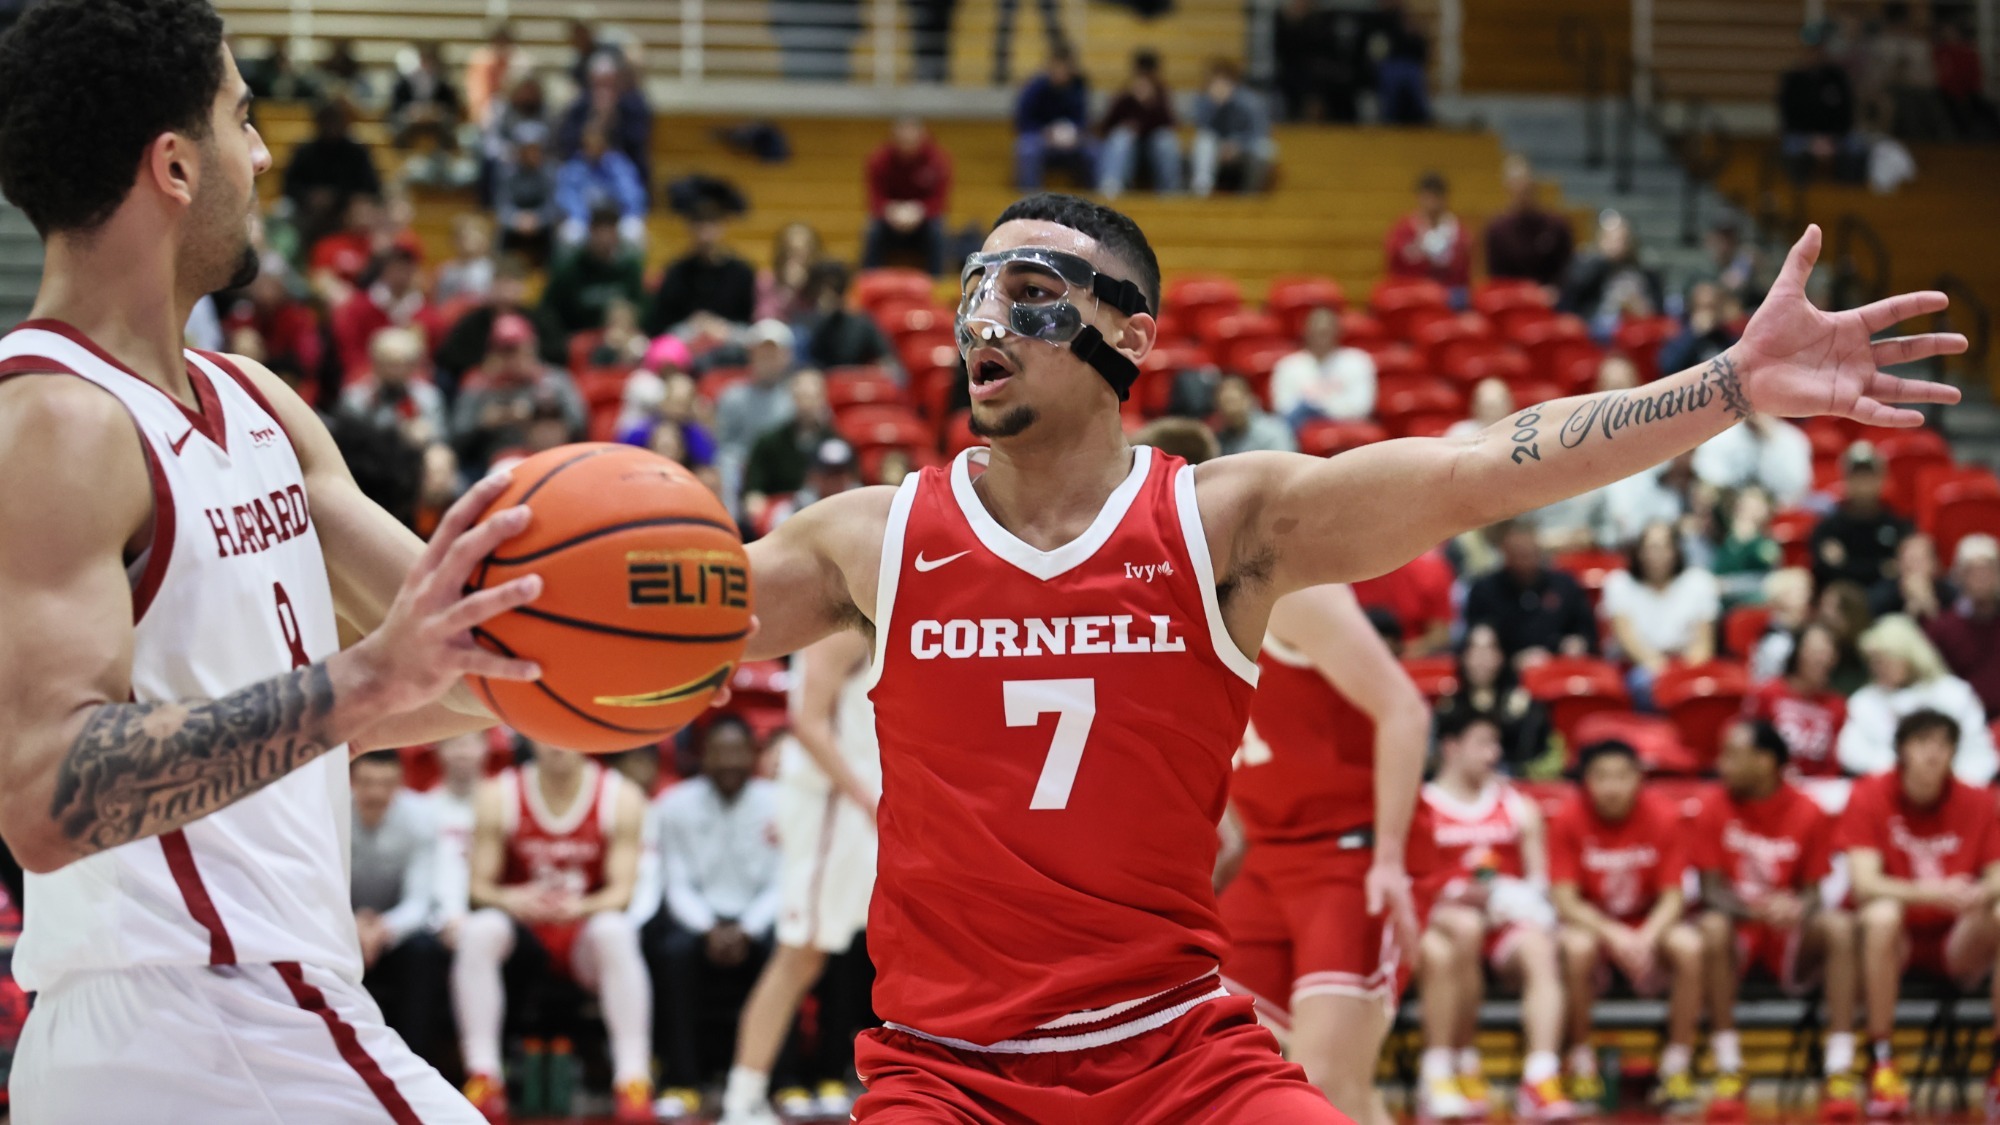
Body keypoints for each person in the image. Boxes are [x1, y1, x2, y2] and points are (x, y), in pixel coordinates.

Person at [732, 189, 1959, 1121]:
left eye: (1036, 286)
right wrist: (529, 580)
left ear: (1132, 336)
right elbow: (664, 642)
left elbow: (1483, 465)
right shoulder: (872, 536)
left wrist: (1730, 381)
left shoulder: (1224, 521)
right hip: (947, 1075)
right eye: (977, 283)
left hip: (1174, 1055)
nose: (988, 314)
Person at [0, 1, 550, 1116]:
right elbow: (47, 792)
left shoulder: (258, 406)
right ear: (172, 164)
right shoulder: (56, 423)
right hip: (203, 1008)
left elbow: (464, 654)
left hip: (214, 1027)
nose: (258, 155)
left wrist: (699, 625)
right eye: (241, 120)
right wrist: (366, 679)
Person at [1218, 581, 1428, 1125]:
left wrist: (1388, 857)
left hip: (1350, 854)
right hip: (1264, 859)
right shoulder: (1162, 599)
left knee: (1327, 1083)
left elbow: (1406, 711)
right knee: (1223, 1067)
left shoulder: (1293, 590)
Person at [718, 628, 882, 1125]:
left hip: (854, 802)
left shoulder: (879, 610)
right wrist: (867, 799)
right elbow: (807, 724)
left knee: (892, 946)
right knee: (800, 954)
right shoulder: (845, 623)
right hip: (834, 805)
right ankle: (740, 1102)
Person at [453, 741, 654, 1122]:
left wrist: (581, 907)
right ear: (529, 736)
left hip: (582, 937)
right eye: (546, 733)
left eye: (567, 734)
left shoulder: (620, 796)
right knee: (480, 929)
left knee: (615, 930)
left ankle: (633, 1080)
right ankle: (484, 1076)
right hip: (524, 938)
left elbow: (622, 894)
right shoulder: (500, 794)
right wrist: (513, 899)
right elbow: (478, 889)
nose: (557, 744)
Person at [1694, 719, 1860, 1122]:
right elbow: (1710, 891)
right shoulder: (1712, 805)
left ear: (1766, 762)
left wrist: (1798, 909)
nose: (1722, 764)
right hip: (1738, 936)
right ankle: (1729, 1067)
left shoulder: (1809, 811)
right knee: (1711, 926)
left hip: (1789, 939)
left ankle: (1839, 1069)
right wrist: (1758, 910)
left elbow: (1814, 892)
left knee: (1839, 927)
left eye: (1733, 755)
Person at [1839, 709, 2000, 1118]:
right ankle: (1882, 1062)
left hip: (1957, 942)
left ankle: (1998, 1065)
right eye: (1923, 742)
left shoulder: (1980, 801)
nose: (1934, 752)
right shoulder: (1869, 794)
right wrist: (1932, 892)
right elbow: (1864, 882)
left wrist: (1980, 892)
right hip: (1898, 944)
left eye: (1944, 744)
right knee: (1881, 915)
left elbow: (1998, 875)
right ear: (1902, 750)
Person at [1418, 711, 1572, 1122]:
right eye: (1483, 743)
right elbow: (1411, 880)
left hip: (1502, 923)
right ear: (1451, 747)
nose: (1494, 753)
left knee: (1541, 947)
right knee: (1461, 932)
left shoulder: (1516, 805)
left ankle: (1540, 1077)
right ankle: (1446, 1068)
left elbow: (1540, 882)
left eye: (1496, 744)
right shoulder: (1424, 805)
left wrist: (1513, 897)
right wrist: (1454, 894)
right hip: (1443, 922)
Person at [1548, 741, 1701, 1111]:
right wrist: (1613, 934)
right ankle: (1581, 1061)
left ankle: (1676, 1066)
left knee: (1690, 946)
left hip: (1646, 921)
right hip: (1593, 923)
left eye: (1621, 776)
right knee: (1576, 947)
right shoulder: (1567, 817)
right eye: (1601, 777)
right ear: (1586, 781)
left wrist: (1645, 936)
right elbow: (1565, 900)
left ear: (1638, 779)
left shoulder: (1664, 816)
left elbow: (1673, 897)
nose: (1612, 786)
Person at [649, 717, 781, 1099]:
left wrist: (748, 930)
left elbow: (782, 881)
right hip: (698, 921)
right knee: (673, 952)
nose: (729, 763)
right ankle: (681, 1081)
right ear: (702, 757)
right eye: (719, 753)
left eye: (738, 752)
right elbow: (676, 882)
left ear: (753, 756)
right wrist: (709, 929)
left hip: (759, 918)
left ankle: (784, 1082)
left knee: (784, 951)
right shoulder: (674, 805)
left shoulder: (779, 804)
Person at [349, 750, 453, 1072]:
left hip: (394, 931)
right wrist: (349, 925)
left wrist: (382, 929)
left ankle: (415, 1063)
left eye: (385, 784)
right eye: (367, 783)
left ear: (400, 784)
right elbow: (314, 887)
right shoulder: (324, 814)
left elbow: (420, 900)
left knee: (424, 951)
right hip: (340, 923)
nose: (376, 793)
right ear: (350, 783)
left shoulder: (420, 816)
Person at [1837, 614, 1996, 782]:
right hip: (1890, 790)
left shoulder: (1954, 693)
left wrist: (1942, 782)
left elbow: (1980, 753)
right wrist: (1907, 773)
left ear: (1910, 656)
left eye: (1884, 660)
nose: (1877, 668)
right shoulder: (1864, 701)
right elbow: (1850, 751)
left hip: (1954, 790)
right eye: (1873, 661)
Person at [1602, 521, 1720, 710]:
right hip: (1640, 667)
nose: (1658, 554)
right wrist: (1663, 672)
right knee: (1643, 683)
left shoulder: (1699, 582)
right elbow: (1628, 640)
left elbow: (1704, 644)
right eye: (1651, 548)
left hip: (1685, 665)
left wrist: (1683, 675)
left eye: (1665, 547)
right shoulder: (1619, 584)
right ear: (1639, 552)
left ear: (1676, 550)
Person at [449, 313, 586, 472]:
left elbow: (579, 425)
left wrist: (538, 419)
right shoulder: (478, 384)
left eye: (516, 349)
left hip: (549, 458)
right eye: (504, 350)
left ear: (531, 346)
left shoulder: (555, 380)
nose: (511, 358)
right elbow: (456, 438)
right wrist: (483, 423)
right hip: (489, 464)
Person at [1463, 520, 1599, 667]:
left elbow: (1587, 633)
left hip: (1557, 666)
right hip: (1505, 674)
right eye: (1518, 554)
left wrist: (1577, 642)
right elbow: (1473, 635)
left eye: (1529, 553)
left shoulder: (1564, 585)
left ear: (1538, 550)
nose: (1524, 561)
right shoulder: (1484, 590)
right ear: (1505, 552)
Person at [1434, 622, 1553, 770]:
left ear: (1502, 656)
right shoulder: (1449, 706)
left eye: (1489, 650)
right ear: (1464, 657)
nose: (1481, 659)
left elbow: (1535, 756)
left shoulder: (1521, 703)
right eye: (1475, 650)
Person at [1744, 620, 1850, 777]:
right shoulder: (1768, 694)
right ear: (1797, 653)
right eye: (1815, 652)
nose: (1821, 659)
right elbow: (1749, 743)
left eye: (1827, 653)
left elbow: (1834, 761)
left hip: (1819, 789)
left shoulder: (1837, 705)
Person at [1812, 441, 1911, 593]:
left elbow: (1900, 570)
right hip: (1843, 601)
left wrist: (1846, 564)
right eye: (1857, 476)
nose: (1863, 484)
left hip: (1887, 604)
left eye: (1868, 476)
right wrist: (1880, 568)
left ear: (1880, 479)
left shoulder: (1897, 525)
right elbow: (1828, 572)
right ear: (1846, 480)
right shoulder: (1828, 529)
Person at [645, 205, 758, 333]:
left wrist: (721, 326)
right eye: (699, 225)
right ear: (690, 227)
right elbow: (661, 322)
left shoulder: (742, 273)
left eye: (711, 224)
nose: (705, 234)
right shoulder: (675, 272)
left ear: (722, 227)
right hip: (686, 340)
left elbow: (749, 320)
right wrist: (692, 324)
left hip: (729, 339)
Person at [540, 204, 648, 337]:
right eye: (600, 231)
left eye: (610, 231)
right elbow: (549, 311)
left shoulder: (630, 268)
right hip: (577, 341)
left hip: (619, 340)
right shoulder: (569, 269)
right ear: (590, 231)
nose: (605, 238)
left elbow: (640, 308)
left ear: (617, 234)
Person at [863, 117, 952, 275]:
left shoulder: (938, 160)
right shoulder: (879, 160)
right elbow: (875, 198)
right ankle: (869, 281)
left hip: (923, 222)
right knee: (872, 231)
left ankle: (937, 284)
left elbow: (939, 200)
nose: (907, 145)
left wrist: (920, 211)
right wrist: (890, 210)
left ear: (922, 137)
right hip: (889, 221)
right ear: (894, 138)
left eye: (911, 140)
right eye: (902, 140)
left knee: (938, 232)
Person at [743, 370, 837, 518]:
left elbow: (851, 487)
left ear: (823, 399)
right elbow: (754, 493)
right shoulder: (768, 442)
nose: (806, 404)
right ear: (792, 398)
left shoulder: (837, 444)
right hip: (780, 517)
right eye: (801, 397)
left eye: (811, 397)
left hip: (825, 513)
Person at [1560, 211, 1664, 344]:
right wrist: (1602, 262)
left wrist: (1640, 307)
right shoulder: (1586, 266)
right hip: (1594, 332)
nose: (1618, 245)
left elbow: (1659, 313)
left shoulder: (1646, 271)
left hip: (1634, 334)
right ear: (1600, 240)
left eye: (1623, 239)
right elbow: (1570, 304)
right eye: (1611, 239)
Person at [1926, 534, 2000, 717]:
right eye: (1972, 571)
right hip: (1961, 719)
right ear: (1958, 576)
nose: (1981, 578)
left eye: (1988, 570)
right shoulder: (1941, 628)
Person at [331, 243, 428, 379]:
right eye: (396, 267)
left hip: (412, 379)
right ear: (384, 269)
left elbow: (428, 358)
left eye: (407, 267)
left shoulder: (426, 313)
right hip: (366, 377)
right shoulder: (358, 307)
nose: (401, 273)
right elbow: (350, 351)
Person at [1270, 306, 1376, 426]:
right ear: (1305, 330)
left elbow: (1362, 407)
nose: (1322, 330)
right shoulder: (1287, 366)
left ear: (1338, 330)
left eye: (1326, 329)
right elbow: (1284, 408)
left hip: (1349, 429)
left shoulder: (1357, 361)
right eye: (1317, 328)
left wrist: (1318, 409)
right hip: (1300, 431)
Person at [280, 97, 382, 222]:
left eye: (335, 121)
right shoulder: (305, 151)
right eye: (327, 121)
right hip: (308, 210)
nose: (331, 127)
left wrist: (337, 197)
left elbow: (371, 188)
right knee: (283, 210)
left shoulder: (357, 152)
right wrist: (310, 196)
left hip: (347, 211)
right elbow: (288, 185)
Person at [341, 326, 449, 443]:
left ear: (413, 366)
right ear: (375, 362)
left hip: (413, 453)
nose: (395, 371)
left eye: (402, 364)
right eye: (389, 363)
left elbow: (440, 438)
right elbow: (349, 440)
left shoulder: (428, 397)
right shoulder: (355, 398)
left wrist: (426, 434)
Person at [1097, 50, 1181, 198]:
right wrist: (1127, 107)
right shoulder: (1124, 94)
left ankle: (1170, 191)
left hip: (1153, 146)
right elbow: (1107, 125)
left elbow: (1170, 124)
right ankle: (1111, 187)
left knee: (1166, 140)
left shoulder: (1162, 95)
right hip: (1130, 147)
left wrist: (1150, 105)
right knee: (1121, 137)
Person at [1485, 155, 1575, 289]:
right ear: (1507, 187)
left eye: (1525, 182)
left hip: (1551, 299)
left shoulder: (1556, 225)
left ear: (1534, 184)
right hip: (1512, 299)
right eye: (1516, 182)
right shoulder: (1497, 230)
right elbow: (1497, 277)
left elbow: (1567, 270)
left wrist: (1552, 292)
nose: (1522, 188)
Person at [1012, 48, 1095, 190]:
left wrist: (1073, 133)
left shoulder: (1079, 87)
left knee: (1093, 150)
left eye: (1065, 68)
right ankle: (1029, 199)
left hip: (1071, 142)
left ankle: (1094, 198)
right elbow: (1023, 122)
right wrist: (1045, 132)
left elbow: (1082, 120)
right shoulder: (1034, 88)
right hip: (1040, 137)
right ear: (1050, 67)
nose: (1061, 73)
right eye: (1057, 68)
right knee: (1027, 149)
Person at [1189, 59, 1273, 198]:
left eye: (1223, 82)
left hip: (1244, 147)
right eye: (1214, 82)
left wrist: (1237, 145)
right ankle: (1202, 191)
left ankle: (1250, 196)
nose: (1218, 86)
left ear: (1233, 83)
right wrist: (1215, 107)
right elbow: (1202, 128)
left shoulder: (1250, 101)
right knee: (1203, 141)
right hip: (1217, 148)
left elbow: (1260, 133)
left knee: (1265, 149)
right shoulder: (1204, 100)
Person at [1692, 411, 1813, 507]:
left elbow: (1797, 489)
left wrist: (1771, 439)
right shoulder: (1720, 434)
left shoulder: (1793, 440)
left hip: (1774, 510)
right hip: (1728, 507)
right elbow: (1707, 481)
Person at [554, 125, 647, 247]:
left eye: (597, 144)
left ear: (605, 145)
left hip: (617, 219)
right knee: (570, 234)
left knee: (633, 231)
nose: (593, 148)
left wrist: (613, 220)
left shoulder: (619, 165)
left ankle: (629, 266)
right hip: (585, 220)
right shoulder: (574, 167)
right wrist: (588, 220)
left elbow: (633, 196)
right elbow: (566, 197)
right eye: (589, 145)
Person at [800, 262, 899, 375]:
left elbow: (890, 363)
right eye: (821, 287)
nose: (827, 294)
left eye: (834, 287)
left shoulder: (861, 324)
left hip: (853, 386)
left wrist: (878, 372)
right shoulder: (803, 323)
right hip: (814, 384)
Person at [1384, 171, 1470, 297]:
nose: (1432, 202)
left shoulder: (1458, 231)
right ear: (1419, 197)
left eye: (1436, 196)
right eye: (1428, 196)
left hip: (1449, 294)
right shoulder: (1404, 230)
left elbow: (1462, 269)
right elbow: (1395, 263)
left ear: (1445, 198)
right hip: (1412, 292)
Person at [491, 120, 560, 265]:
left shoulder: (551, 171)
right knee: (500, 234)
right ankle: (501, 272)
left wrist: (538, 219)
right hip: (515, 223)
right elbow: (502, 205)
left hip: (541, 223)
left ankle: (550, 276)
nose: (531, 154)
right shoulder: (506, 171)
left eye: (535, 149)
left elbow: (553, 206)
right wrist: (516, 219)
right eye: (526, 150)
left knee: (557, 235)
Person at [1870, 532, 1955, 622]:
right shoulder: (1881, 597)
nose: (1913, 567)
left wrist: (1930, 607)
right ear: (1897, 565)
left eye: (1920, 561)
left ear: (1935, 565)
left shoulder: (1951, 594)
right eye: (1908, 560)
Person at [1211, 373, 1296, 455]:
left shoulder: (1274, 432)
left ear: (1249, 399)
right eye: (1225, 403)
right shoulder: (1218, 439)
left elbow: (1284, 467)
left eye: (1233, 401)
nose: (1230, 409)